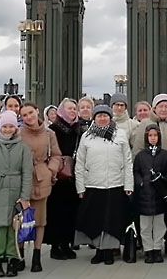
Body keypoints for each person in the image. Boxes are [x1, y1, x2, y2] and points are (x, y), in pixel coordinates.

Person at [75, 105, 134, 265]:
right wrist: (80, 187)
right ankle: (99, 251)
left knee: (112, 219)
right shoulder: (87, 136)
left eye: (105, 115)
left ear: (110, 117)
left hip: (115, 184)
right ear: (94, 118)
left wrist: (129, 185)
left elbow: (127, 161)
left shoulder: (120, 135)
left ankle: (109, 251)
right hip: (93, 184)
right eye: (99, 115)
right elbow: (80, 163)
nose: (102, 118)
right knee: (96, 219)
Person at [130, 94, 167, 257]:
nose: (163, 109)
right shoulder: (146, 123)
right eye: (160, 106)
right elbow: (137, 150)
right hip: (150, 179)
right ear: (154, 108)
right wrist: (141, 178)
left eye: (166, 106)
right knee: (148, 212)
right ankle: (148, 246)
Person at [0, 111, 33, 278]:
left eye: (11, 126)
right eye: (5, 126)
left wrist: (25, 196)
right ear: (0, 127)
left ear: (16, 128)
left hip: (16, 190)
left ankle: (13, 259)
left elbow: (27, 173)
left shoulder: (23, 148)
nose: (8, 129)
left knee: (13, 227)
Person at [19, 102, 61, 272]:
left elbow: (56, 155)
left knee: (40, 220)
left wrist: (50, 171)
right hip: (22, 178)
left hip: (42, 177)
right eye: (24, 115)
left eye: (31, 113)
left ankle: (37, 255)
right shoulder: (18, 133)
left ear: (37, 111)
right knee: (20, 220)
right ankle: (19, 255)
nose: (29, 117)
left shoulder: (49, 133)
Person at [45, 98, 83, 260]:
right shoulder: (53, 129)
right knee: (56, 211)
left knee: (71, 210)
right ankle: (56, 245)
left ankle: (67, 243)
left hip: (73, 175)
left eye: (75, 108)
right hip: (58, 176)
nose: (73, 111)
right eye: (69, 108)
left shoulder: (78, 129)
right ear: (61, 110)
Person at [133, 125, 167, 263]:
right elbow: (136, 171)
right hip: (144, 195)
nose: (153, 138)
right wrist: (140, 182)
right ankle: (148, 250)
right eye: (150, 136)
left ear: (159, 137)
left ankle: (157, 249)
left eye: (155, 135)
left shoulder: (165, 154)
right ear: (146, 137)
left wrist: (162, 178)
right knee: (145, 226)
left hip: (159, 195)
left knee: (159, 225)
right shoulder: (140, 155)